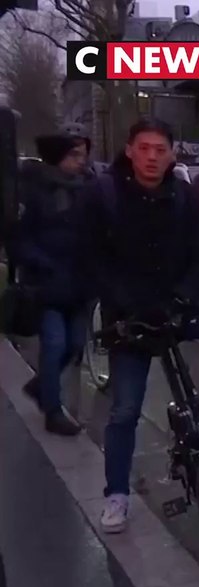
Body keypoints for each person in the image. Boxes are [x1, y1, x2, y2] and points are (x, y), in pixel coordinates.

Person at [85, 118, 199, 534]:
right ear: (129, 150)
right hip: (132, 319)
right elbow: (93, 260)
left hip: (179, 306)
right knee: (125, 410)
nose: (151, 157)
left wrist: (185, 296)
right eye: (144, 148)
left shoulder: (184, 195)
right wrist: (129, 305)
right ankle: (116, 496)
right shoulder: (104, 195)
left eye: (160, 149)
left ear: (172, 154)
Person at [12, 133, 93, 435]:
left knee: (73, 344)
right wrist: (42, 263)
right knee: (55, 344)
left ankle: (40, 386)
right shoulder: (33, 191)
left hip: (79, 283)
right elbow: (19, 238)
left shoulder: (84, 188)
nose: (80, 161)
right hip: (46, 284)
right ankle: (53, 411)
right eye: (74, 155)